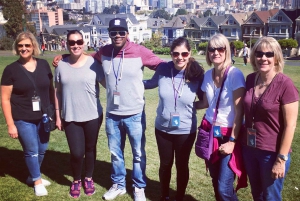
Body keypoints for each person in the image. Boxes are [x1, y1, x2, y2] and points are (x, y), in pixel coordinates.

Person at [52, 18, 164, 201]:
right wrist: (63, 57)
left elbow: (162, 65)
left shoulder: (139, 51)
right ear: (109, 34)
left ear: (127, 33)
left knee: (138, 154)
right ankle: (118, 184)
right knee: (115, 153)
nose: (118, 35)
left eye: (121, 32)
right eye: (114, 32)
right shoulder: (104, 52)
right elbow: (81, 56)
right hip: (113, 114)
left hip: (135, 113)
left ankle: (138, 187)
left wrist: (149, 84)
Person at [143, 37, 205, 201]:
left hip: (185, 129)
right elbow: (149, 83)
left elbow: (205, 101)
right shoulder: (163, 69)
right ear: (171, 54)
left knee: (181, 165)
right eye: (176, 53)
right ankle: (164, 196)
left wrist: (190, 107)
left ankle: (179, 197)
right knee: (165, 164)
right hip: (163, 128)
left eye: (184, 53)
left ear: (189, 53)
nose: (180, 57)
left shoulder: (196, 73)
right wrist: (130, 82)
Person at [242, 37, 299, 201]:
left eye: (269, 54)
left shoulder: (285, 85)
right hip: (250, 148)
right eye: (259, 53)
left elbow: (290, 125)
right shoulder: (251, 79)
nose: (263, 58)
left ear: (277, 57)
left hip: (272, 153)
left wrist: (281, 159)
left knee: (271, 197)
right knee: (257, 194)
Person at [1, 31, 54, 196]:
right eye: (20, 46)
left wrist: (54, 111)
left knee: (43, 148)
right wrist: (10, 124)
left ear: (33, 47)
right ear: (17, 48)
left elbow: (50, 89)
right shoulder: (11, 70)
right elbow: (4, 99)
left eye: (27, 45)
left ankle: (33, 175)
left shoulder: (44, 65)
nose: (24, 48)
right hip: (23, 118)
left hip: (44, 116)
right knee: (31, 150)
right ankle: (37, 181)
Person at [195, 33, 246, 201]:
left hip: (229, 134)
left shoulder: (234, 75)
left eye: (220, 49)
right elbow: (205, 103)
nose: (215, 52)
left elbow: (240, 112)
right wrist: (183, 106)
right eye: (212, 49)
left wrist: (232, 142)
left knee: (224, 187)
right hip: (210, 131)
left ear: (226, 51)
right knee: (215, 181)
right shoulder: (207, 75)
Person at [54, 30, 105, 198]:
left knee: (90, 149)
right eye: (71, 42)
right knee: (76, 152)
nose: (75, 45)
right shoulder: (61, 65)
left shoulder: (94, 63)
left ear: (83, 43)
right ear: (67, 44)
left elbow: (107, 84)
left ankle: (88, 178)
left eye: (78, 42)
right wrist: (57, 114)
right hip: (70, 116)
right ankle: (76, 180)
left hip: (93, 115)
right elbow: (57, 91)